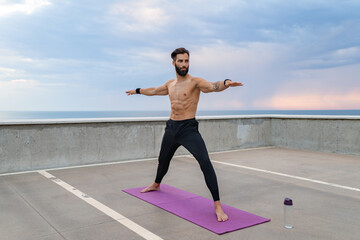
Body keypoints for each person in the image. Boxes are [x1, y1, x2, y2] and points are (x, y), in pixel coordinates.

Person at [126, 47, 243, 222]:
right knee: (163, 159)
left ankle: (218, 205)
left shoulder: (195, 82)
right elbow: (154, 91)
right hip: (171, 127)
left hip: (188, 129)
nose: (184, 64)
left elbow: (212, 86)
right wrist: (137, 90)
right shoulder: (170, 84)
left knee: (205, 162)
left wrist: (226, 82)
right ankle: (157, 184)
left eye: (186, 61)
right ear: (173, 63)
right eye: (180, 61)